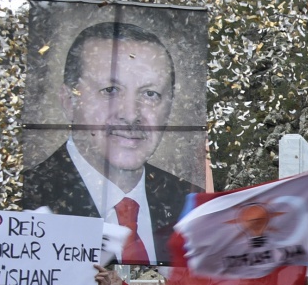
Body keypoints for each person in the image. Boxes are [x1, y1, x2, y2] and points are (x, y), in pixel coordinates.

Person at [22, 21, 200, 264]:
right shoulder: (25, 201)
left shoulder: (191, 206)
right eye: (110, 90)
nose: (130, 114)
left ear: (169, 107)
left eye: (150, 94)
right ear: (68, 101)